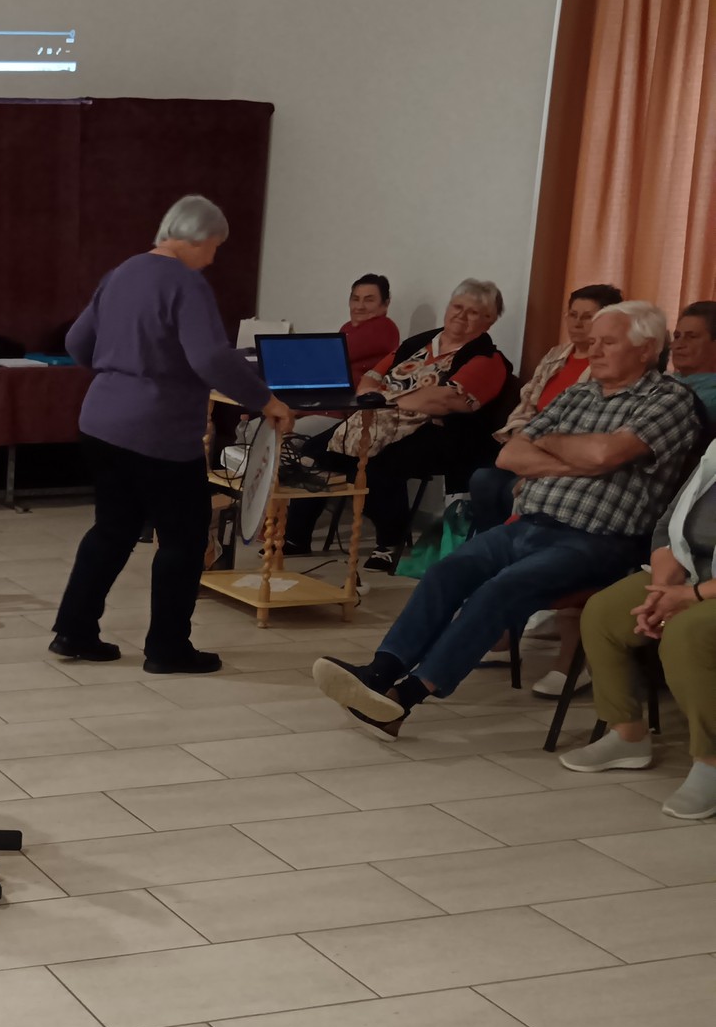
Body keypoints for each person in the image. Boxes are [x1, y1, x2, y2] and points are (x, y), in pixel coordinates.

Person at [311, 301, 702, 738]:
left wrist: (558, 447)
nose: (593, 350)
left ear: (646, 349)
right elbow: (511, 453)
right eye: (592, 342)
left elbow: (605, 454)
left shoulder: (668, 400)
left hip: (598, 541)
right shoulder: (578, 394)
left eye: (607, 342)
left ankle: (405, 699)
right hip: (530, 523)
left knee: (500, 589)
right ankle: (379, 674)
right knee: (446, 572)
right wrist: (579, 459)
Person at [52, 194, 295, 674]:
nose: (213, 259)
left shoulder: (121, 272)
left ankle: (74, 631)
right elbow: (210, 357)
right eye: (215, 247)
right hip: (158, 430)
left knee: (112, 528)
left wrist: (119, 372)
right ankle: (168, 649)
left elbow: (76, 341)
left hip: (100, 421)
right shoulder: (186, 282)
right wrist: (265, 400)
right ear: (198, 238)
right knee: (183, 537)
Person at [282, 279, 513, 571]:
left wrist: (388, 398)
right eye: (457, 307)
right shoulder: (418, 344)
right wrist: (387, 398)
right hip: (377, 421)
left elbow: (445, 401)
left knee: (378, 463)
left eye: (473, 312)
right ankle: (296, 536)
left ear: (489, 320)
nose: (461, 315)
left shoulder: (488, 359)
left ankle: (389, 543)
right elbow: (371, 379)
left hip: (442, 434)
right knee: (312, 454)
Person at [560, 437, 716, 819]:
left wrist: (691, 596)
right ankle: (627, 733)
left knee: (686, 635)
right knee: (603, 613)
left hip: (704, 589)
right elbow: (666, 528)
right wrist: (662, 590)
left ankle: (710, 762)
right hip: (692, 577)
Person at [470, 284, 624, 532]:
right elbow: (527, 404)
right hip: (530, 443)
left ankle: (516, 543)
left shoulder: (609, 366)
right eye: (572, 315)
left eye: (587, 317)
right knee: (483, 480)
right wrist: (521, 442)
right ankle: (488, 545)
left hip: (563, 455)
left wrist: (537, 457)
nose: (577, 323)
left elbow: (590, 426)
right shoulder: (555, 355)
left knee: (513, 491)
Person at [343, 274, 400, 379]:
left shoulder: (384, 327)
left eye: (368, 300)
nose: (359, 307)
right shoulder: (346, 327)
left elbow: (336, 355)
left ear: (385, 304)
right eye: (355, 299)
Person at [670, 300, 716, 421]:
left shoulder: (711, 398)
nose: (678, 345)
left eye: (691, 337)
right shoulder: (662, 382)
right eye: (677, 337)